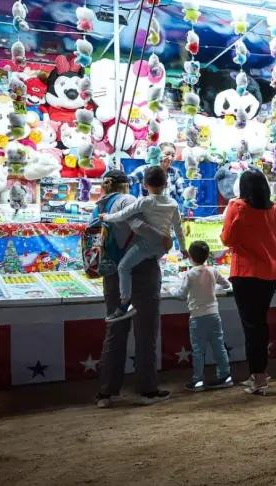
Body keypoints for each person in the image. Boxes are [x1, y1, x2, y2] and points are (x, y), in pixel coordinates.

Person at [94, 170, 172, 408]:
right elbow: (137, 225)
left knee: (116, 329)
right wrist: (163, 238)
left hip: (112, 272)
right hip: (141, 271)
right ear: (125, 185)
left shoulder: (100, 206)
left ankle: (106, 392)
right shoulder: (127, 201)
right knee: (145, 330)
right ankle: (146, 389)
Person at [220, 169, 276, 395]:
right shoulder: (274, 208)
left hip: (246, 273)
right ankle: (259, 373)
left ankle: (258, 377)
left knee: (252, 327)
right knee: (260, 323)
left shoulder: (237, 207)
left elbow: (226, 239)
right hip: (270, 272)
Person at [100, 166, 187, 323]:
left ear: (145, 184)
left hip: (147, 245)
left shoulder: (145, 202)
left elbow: (122, 215)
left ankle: (124, 302)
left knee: (123, 267)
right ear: (166, 184)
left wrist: (106, 217)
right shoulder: (173, 204)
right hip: (162, 248)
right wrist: (183, 248)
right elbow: (179, 228)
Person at [169, 240, 233, 392]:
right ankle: (225, 376)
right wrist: (212, 288)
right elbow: (226, 285)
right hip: (214, 314)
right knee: (219, 347)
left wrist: (170, 288)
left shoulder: (189, 274)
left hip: (197, 317)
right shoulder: (213, 271)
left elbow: (180, 295)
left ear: (190, 257)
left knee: (198, 350)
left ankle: (198, 380)